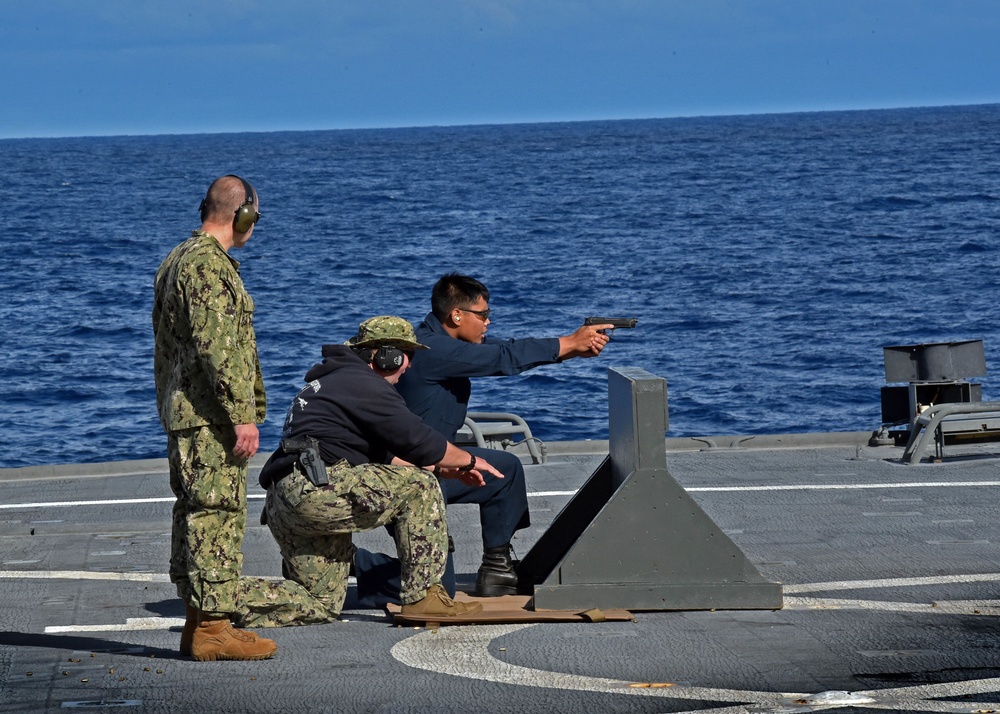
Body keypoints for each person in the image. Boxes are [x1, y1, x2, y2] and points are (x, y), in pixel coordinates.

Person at [154, 175, 328, 661]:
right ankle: (213, 627)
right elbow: (219, 351)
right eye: (256, 216)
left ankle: (200, 620)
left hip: (187, 416)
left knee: (194, 515)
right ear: (243, 215)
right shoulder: (208, 267)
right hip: (210, 420)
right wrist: (242, 416)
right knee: (216, 517)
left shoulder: (177, 260)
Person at [258, 316, 506, 619]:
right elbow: (419, 440)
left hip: (287, 499)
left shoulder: (334, 382)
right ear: (387, 356)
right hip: (316, 491)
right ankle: (423, 597)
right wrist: (469, 460)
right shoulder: (363, 383)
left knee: (318, 604)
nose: (410, 366)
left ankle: (219, 602)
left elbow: (384, 454)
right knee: (419, 488)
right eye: (407, 357)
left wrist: (441, 469)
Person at [390, 273, 612, 597]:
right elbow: (502, 358)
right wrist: (570, 342)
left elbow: (505, 349)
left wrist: (573, 350)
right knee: (436, 590)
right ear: (456, 315)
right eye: (482, 315)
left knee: (503, 470)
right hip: (408, 473)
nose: (488, 322)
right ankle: (358, 566)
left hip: (429, 463)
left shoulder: (438, 342)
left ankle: (497, 568)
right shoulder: (434, 349)